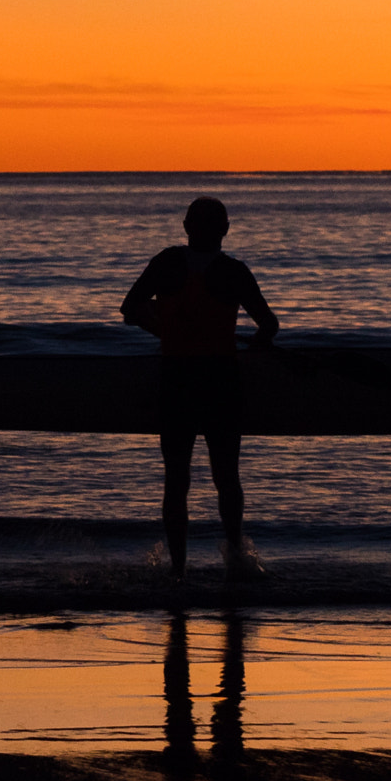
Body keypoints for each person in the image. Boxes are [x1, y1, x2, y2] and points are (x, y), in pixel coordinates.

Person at [121, 197, 279, 582]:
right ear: (225, 229)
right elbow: (269, 325)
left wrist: (164, 332)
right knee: (227, 475)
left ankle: (178, 569)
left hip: (177, 380)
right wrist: (255, 346)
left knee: (176, 479)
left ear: (186, 227)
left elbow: (130, 309)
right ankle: (236, 558)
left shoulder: (167, 263)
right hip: (221, 380)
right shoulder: (234, 272)